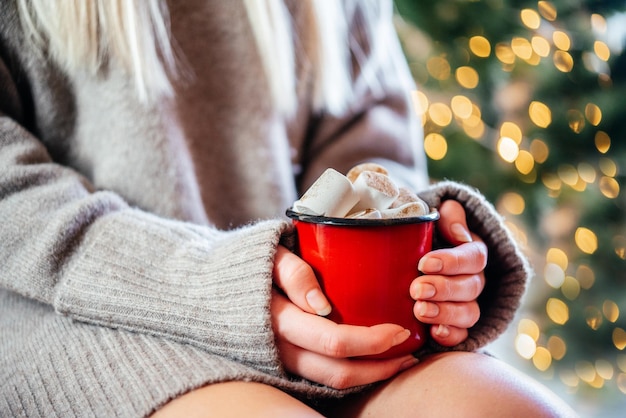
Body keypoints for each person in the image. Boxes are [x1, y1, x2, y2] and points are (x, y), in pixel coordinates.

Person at [0, 0, 577, 416]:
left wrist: (409, 235)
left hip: (314, 316)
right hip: (69, 307)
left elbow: (369, 152)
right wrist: (217, 286)